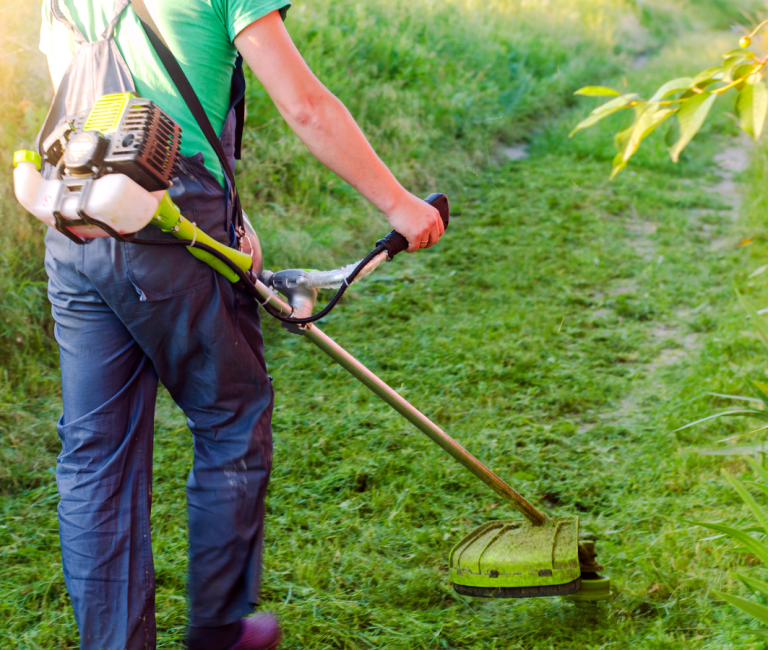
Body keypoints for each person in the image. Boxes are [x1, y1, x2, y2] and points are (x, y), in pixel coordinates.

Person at [37, 1, 444, 649]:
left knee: (95, 453)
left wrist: (226, 213)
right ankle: (223, 631)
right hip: (168, 222)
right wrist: (399, 205)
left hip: (75, 213)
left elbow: (85, 96)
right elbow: (305, 105)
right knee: (232, 415)